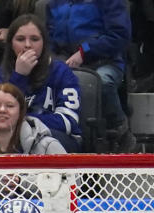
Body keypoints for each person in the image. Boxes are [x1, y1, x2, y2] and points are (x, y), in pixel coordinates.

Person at [46, 0, 135, 151]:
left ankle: (120, 129)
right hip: (65, 59)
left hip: (106, 60)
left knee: (103, 82)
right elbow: (49, 38)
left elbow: (119, 35)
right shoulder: (54, 4)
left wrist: (84, 51)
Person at [0, 14, 82, 152]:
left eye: (35, 39)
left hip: (56, 140)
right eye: (20, 39)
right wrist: (19, 76)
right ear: (11, 44)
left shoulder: (62, 72)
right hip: (11, 139)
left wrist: (24, 123)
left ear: (44, 43)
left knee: (29, 139)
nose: (27, 45)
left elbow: (68, 121)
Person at [0, 83, 66, 155]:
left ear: (21, 112)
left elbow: (71, 180)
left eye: (10, 106)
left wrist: (22, 180)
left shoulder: (47, 146)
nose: (2, 110)